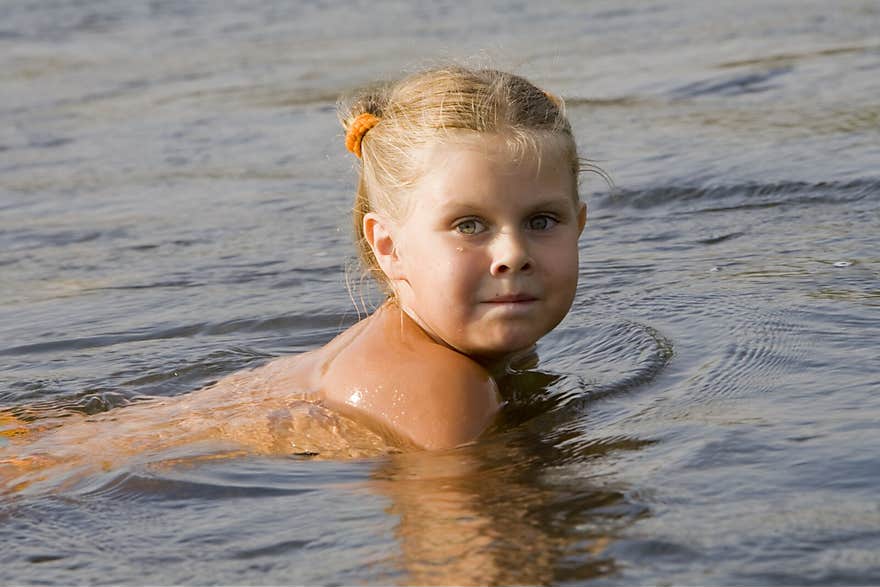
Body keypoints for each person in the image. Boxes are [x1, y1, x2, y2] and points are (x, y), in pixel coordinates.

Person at [0, 65, 588, 492]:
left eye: (542, 220)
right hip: (43, 481)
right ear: (388, 248)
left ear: (580, 225)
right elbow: (463, 573)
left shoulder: (421, 348)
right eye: (468, 224)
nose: (513, 253)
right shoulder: (445, 391)